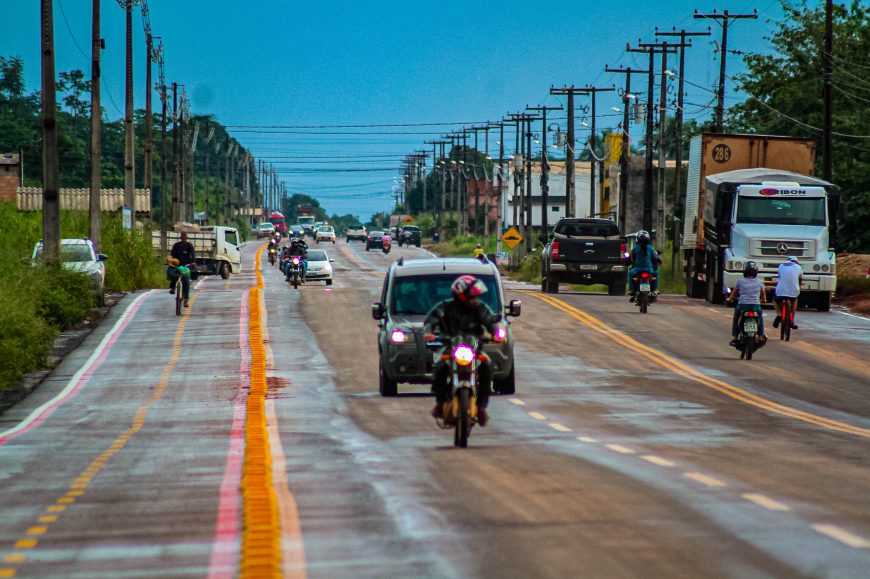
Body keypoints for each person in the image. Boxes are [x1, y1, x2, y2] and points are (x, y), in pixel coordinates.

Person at [423, 275, 499, 427]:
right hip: (451, 347)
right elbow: (430, 321)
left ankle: (482, 407)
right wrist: (428, 332)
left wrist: (497, 333)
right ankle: (440, 402)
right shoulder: (446, 307)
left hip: (475, 349)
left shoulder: (480, 308)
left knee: (487, 367)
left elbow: (491, 321)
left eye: (475, 296)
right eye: (471, 296)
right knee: (439, 367)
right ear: (460, 295)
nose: (474, 299)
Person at [727, 261, 767, 347]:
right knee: (760, 319)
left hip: (742, 306)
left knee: (736, 319)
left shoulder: (740, 282)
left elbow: (734, 293)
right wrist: (764, 300)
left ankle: (734, 338)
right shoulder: (760, 282)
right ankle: (760, 336)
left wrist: (730, 299)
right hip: (756, 306)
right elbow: (763, 295)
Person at [628, 230, 660, 302]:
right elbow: (655, 258)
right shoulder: (651, 248)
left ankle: (632, 290)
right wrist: (658, 261)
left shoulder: (635, 249)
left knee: (630, 273)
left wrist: (626, 262)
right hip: (649, 270)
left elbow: (631, 260)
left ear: (637, 239)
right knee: (656, 273)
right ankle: (654, 290)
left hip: (637, 270)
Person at [773, 256, 802, 330]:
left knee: (775, 300)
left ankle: (779, 314)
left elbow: (780, 277)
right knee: (795, 300)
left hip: (780, 292)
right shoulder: (799, 267)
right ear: (796, 262)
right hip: (793, 292)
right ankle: (792, 321)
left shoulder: (781, 266)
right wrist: (799, 288)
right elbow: (800, 280)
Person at [169, 231, 195, 307]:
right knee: (173, 274)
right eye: (183, 238)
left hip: (185, 266)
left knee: (186, 282)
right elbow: (172, 255)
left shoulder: (189, 246)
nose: (184, 239)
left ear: (187, 238)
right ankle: (173, 288)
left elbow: (193, 255)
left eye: (185, 238)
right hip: (177, 265)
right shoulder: (176, 245)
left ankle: (186, 300)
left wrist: (193, 262)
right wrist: (171, 260)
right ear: (181, 238)